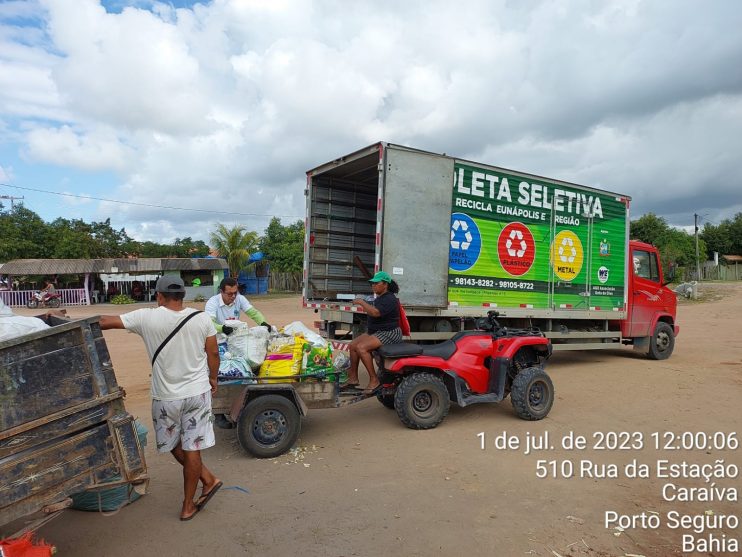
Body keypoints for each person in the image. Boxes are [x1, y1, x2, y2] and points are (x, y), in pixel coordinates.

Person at [99, 276, 222, 521]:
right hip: (198, 393)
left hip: (166, 397)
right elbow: (214, 352)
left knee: (176, 445)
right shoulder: (201, 318)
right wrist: (214, 378)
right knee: (192, 446)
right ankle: (203, 484)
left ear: (159, 296)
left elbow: (104, 322)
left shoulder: (146, 316)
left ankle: (199, 491)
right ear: (183, 296)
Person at [342, 271, 402, 395]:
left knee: (361, 348)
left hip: (389, 332)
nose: (373, 286)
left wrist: (361, 302)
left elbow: (376, 313)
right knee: (353, 345)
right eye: (372, 284)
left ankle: (374, 380)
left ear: (385, 284)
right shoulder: (380, 297)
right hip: (377, 331)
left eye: (376, 283)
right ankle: (353, 378)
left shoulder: (390, 298)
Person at [205, 277, 271, 337]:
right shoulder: (212, 302)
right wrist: (222, 328)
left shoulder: (240, 298)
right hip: (217, 337)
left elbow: (254, 313)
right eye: (230, 294)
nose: (233, 296)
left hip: (234, 336)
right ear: (221, 292)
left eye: (235, 293)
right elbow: (210, 323)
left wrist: (262, 322)